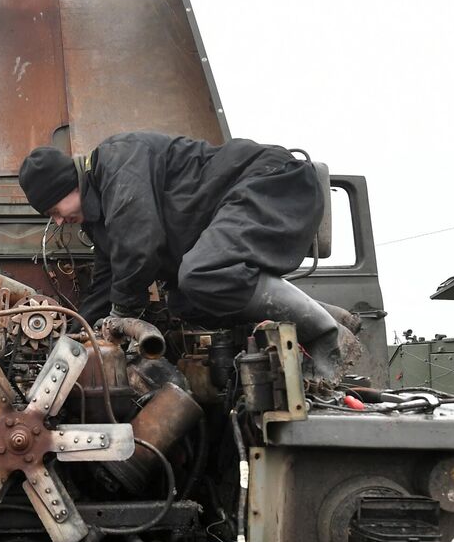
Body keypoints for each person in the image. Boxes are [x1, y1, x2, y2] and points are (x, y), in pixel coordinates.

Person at [18, 132, 359, 383]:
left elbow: (140, 243)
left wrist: (123, 314)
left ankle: (328, 338)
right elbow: (108, 281)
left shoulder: (117, 161)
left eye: (54, 210)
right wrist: (75, 335)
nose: (59, 221)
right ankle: (330, 316)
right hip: (240, 200)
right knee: (184, 301)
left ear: (69, 185)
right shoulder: (102, 219)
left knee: (202, 274)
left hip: (266, 180)